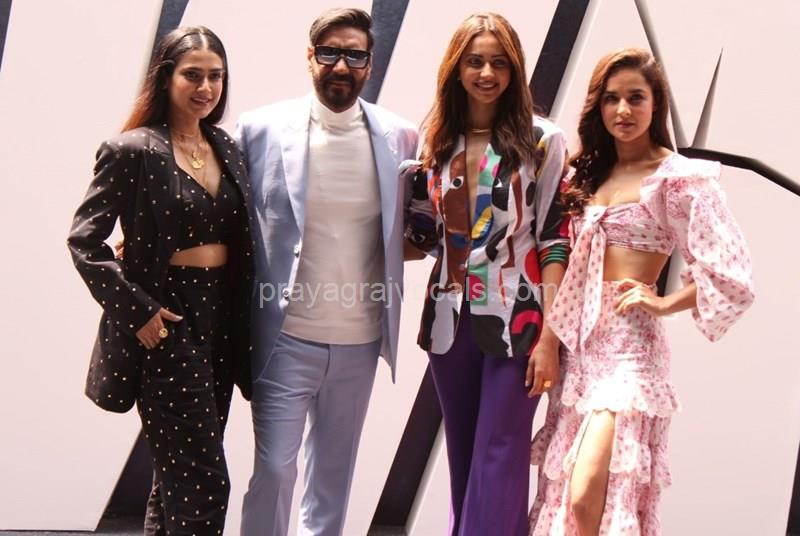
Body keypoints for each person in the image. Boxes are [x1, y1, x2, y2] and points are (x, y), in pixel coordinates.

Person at [528, 48, 755, 535]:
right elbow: (557, 257)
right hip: (579, 345)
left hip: (631, 350)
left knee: (588, 489)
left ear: (657, 104)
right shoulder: (584, 173)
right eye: (612, 99)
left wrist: (665, 302)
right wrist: (548, 340)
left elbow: (730, 272)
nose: (623, 110)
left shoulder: (677, 178)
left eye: (636, 97)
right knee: (569, 495)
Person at [234, 8, 418, 536]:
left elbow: (411, 231)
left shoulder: (401, 137)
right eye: (330, 52)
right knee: (274, 470)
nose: (342, 65)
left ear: (370, 64)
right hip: (285, 336)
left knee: (332, 483)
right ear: (310, 57)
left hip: (360, 339)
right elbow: (222, 213)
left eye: (354, 55)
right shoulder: (260, 129)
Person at [67, 26, 254, 535]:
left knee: (177, 480)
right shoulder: (131, 150)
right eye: (193, 75)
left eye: (216, 76)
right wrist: (139, 311)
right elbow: (84, 241)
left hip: (221, 320)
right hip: (167, 318)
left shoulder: (227, 147)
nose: (206, 87)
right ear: (166, 78)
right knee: (204, 483)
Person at [402, 12, 570, 536]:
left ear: (515, 70)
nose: (487, 73)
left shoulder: (542, 140)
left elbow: (554, 239)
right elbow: (422, 237)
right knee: (465, 457)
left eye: (499, 63)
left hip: (520, 319)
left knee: (500, 453)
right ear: (457, 68)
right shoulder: (437, 141)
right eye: (475, 61)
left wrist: (550, 336)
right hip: (448, 320)